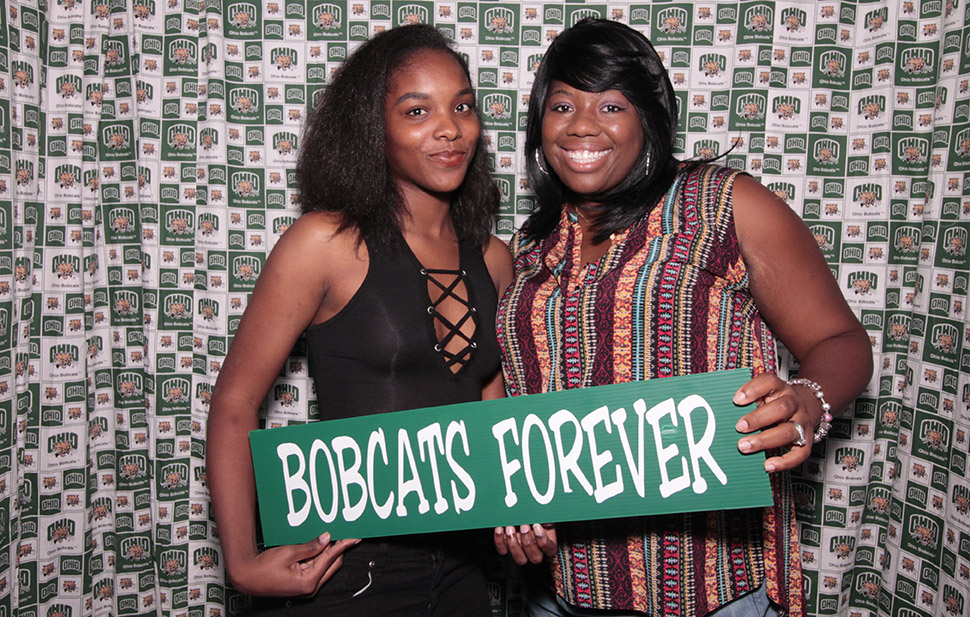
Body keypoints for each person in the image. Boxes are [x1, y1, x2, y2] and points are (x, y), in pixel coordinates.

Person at [493, 19, 872, 617]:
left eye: (611, 104)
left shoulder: (724, 204)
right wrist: (508, 500)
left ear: (648, 118)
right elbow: (519, 417)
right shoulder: (529, 249)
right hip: (563, 591)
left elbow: (841, 338)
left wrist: (808, 399)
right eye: (562, 104)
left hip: (709, 588)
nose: (582, 124)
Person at [207, 24, 512, 616]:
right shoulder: (324, 244)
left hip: (463, 569)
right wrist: (241, 563)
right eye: (417, 110)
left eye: (463, 107)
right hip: (346, 567)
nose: (450, 128)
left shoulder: (494, 259)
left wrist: (520, 509)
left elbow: (491, 414)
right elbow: (235, 404)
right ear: (375, 128)